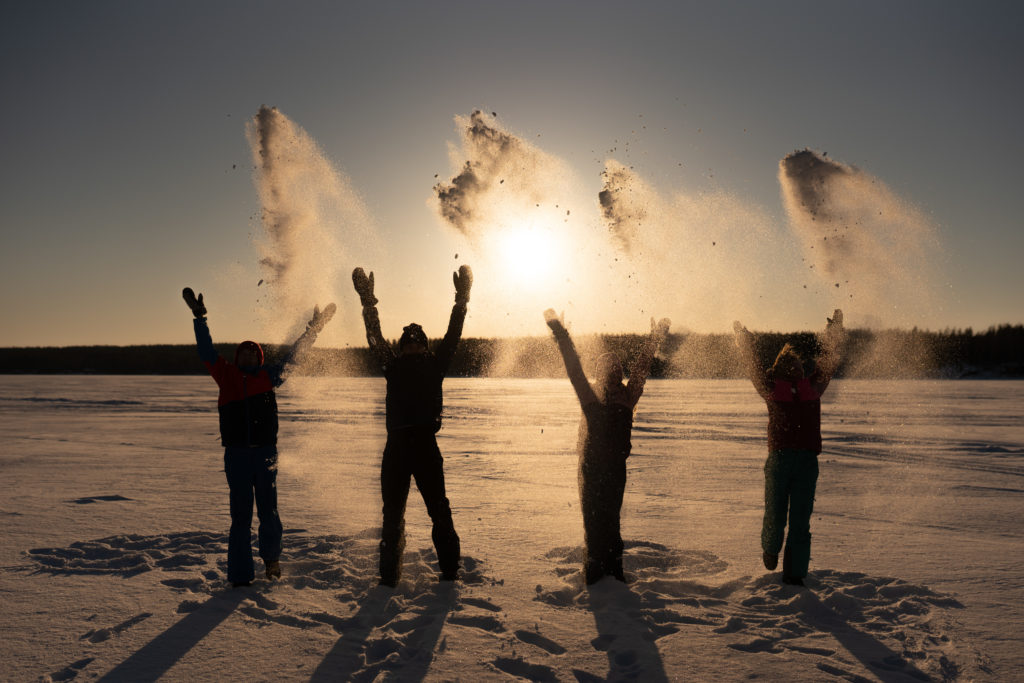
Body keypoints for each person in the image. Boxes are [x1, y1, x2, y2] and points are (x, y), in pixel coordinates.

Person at [182, 287, 335, 587]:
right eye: (244, 352)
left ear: (259, 358)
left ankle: (272, 560)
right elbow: (206, 351)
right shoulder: (224, 375)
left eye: (254, 352)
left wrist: (313, 330)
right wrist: (201, 319)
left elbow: (296, 356)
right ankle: (240, 575)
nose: (249, 355)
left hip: (265, 454)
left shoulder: (269, 377)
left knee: (269, 510)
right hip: (237, 456)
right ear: (238, 357)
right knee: (240, 516)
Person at [352, 265, 472, 587]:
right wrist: (368, 304)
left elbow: (453, 336)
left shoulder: (436, 365)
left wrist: (461, 302)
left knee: (439, 510)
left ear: (425, 347)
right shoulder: (392, 366)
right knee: (392, 515)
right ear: (402, 346)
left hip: (426, 448)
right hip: (396, 449)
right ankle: (389, 576)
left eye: (418, 343)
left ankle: (449, 571)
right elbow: (375, 338)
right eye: (408, 343)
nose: (413, 347)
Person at [544, 309, 671, 584]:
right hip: (592, 469)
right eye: (607, 368)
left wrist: (655, 339)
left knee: (610, 523)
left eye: (616, 369)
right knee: (594, 524)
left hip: (615, 470)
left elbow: (642, 367)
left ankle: (613, 575)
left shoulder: (628, 395)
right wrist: (561, 334)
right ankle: (594, 574)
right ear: (601, 373)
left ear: (620, 372)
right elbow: (574, 368)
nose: (613, 373)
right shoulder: (591, 396)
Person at [733, 310, 844, 586]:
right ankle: (770, 548)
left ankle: (794, 573)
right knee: (775, 513)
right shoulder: (772, 389)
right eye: (790, 364)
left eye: (798, 364)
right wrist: (745, 343)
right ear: (781, 368)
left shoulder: (812, 387)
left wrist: (834, 334)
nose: (796, 368)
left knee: (800, 522)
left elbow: (828, 363)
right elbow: (755, 369)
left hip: (807, 462)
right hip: (780, 461)